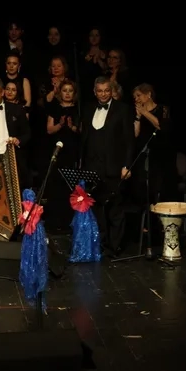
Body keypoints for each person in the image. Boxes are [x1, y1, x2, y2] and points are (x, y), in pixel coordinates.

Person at [80, 76, 135, 256]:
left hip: (113, 167)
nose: (103, 94)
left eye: (106, 91)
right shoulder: (88, 109)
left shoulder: (122, 109)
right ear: (94, 92)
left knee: (114, 208)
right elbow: (85, 137)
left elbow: (129, 141)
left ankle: (115, 246)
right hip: (92, 167)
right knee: (96, 208)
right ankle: (100, 244)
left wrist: (127, 165)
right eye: (100, 91)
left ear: (111, 91)